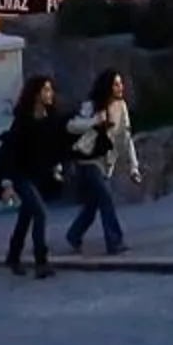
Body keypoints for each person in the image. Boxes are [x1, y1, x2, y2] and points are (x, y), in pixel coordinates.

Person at [0, 75, 71, 279]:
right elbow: (10, 153)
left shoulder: (51, 118)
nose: (50, 94)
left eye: (51, 90)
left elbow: (55, 145)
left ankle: (13, 255)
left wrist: (57, 167)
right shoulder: (23, 121)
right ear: (36, 94)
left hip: (37, 174)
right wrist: (7, 184)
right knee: (39, 212)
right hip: (21, 175)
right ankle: (41, 261)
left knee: (27, 215)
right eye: (46, 90)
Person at [62, 70, 140, 256]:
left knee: (93, 205)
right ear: (107, 86)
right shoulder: (92, 106)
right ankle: (114, 241)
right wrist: (95, 122)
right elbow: (71, 125)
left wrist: (134, 167)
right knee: (106, 198)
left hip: (106, 163)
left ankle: (74, 235)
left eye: (121, 83)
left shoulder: (121, 107)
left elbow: (126, 138)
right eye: (115, 84)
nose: (120, 87)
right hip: (88, 161)